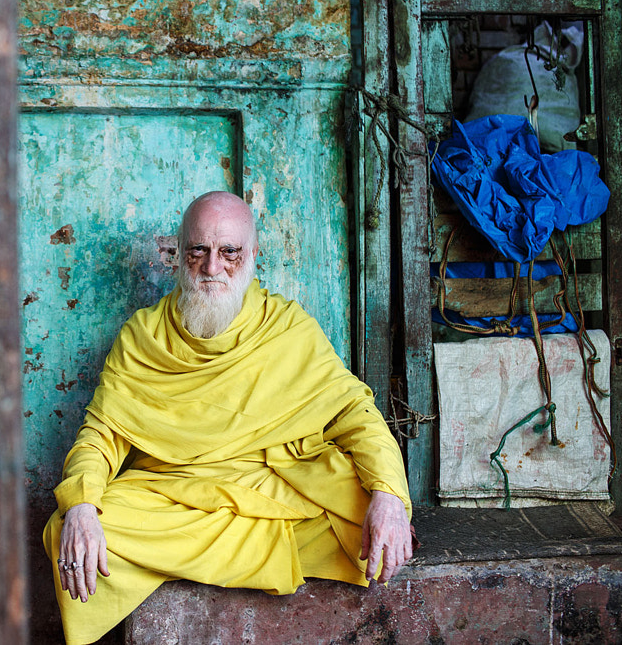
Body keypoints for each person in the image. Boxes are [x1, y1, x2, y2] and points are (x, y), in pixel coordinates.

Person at [43, 191, 413, 645]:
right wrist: (82, 504)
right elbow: (100, 436)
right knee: (67, 526)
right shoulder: (143, 336)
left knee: (368, 507)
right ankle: (250, 554)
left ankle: (205, 557)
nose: (212, 268)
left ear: (253, 255)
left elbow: (356, 414)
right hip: (178, 497)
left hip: (278, 488)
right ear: (179, 255)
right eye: (198, 251)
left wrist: (389, 496)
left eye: (229, 253)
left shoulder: (288, 329)